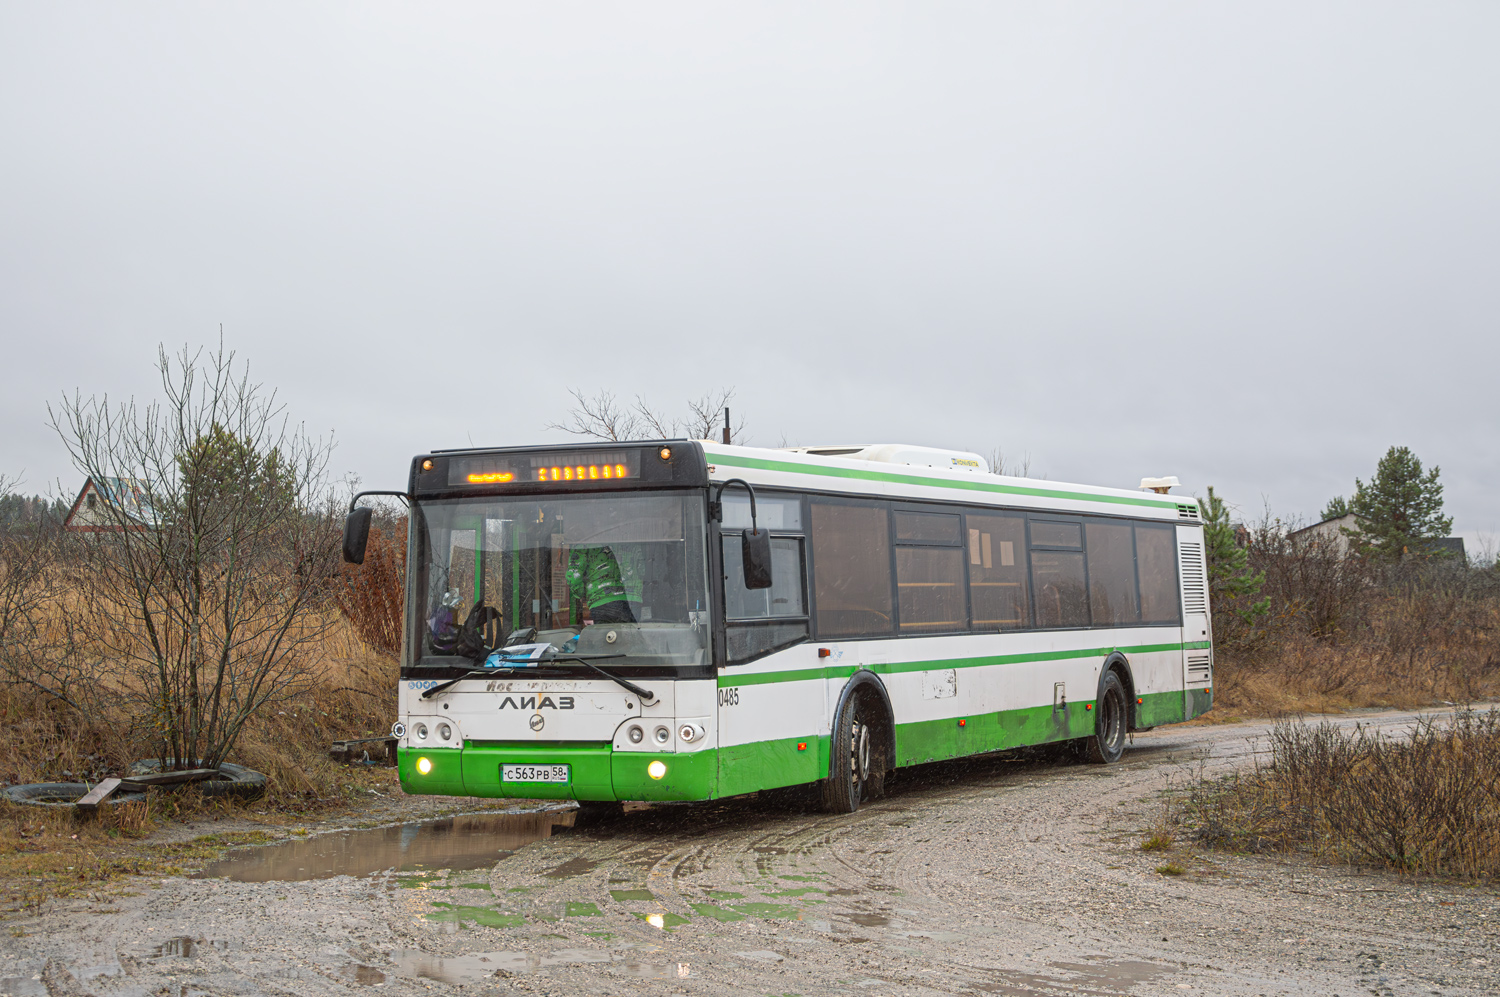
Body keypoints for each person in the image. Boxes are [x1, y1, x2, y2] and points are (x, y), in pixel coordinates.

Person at [565, 545, 636, 624]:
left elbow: (574, 577)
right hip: (630, 598)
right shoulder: (626, 537)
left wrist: (582, 594)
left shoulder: (582, 543)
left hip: (600, 599)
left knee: (603, 634)